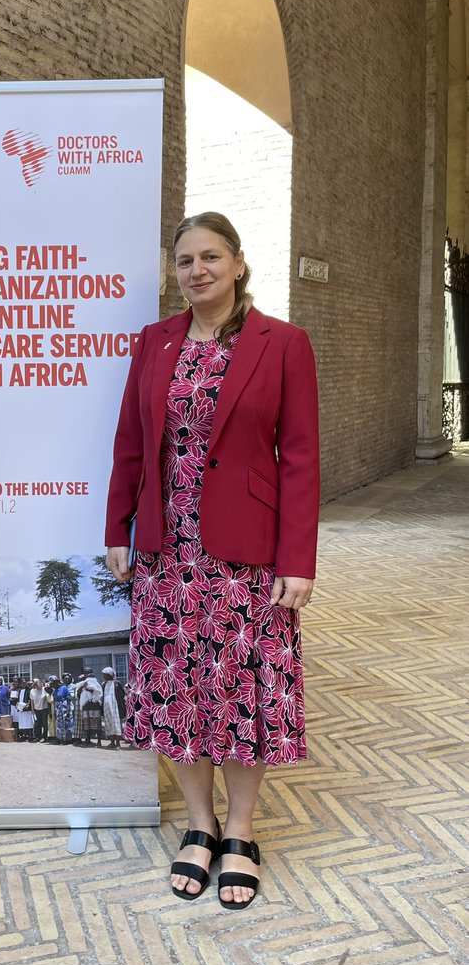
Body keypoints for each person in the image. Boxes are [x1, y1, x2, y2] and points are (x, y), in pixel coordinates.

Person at [105, 211, 319, 910]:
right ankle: (199, 826)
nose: (197, 270)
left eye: (211, 257)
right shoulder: (156, 341)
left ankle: (242, 831)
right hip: (169, 552)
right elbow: (130, 445)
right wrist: (119, 529)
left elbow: (302, 461)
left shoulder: (282, 344)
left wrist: (298, 559)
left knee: (240, 692)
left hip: (247, 557)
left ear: (238, 263)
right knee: (178, 691)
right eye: (185, 260)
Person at [100, 668, 123, 749]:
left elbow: (121, 695)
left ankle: (118, 743)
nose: (103, 676)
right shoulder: (104, 684)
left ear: (110, 675)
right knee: (108, 724)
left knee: (116, 724)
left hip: (115, 706)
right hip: (106, 707)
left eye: (105, 674)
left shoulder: (116, 683)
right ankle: (112, 742)